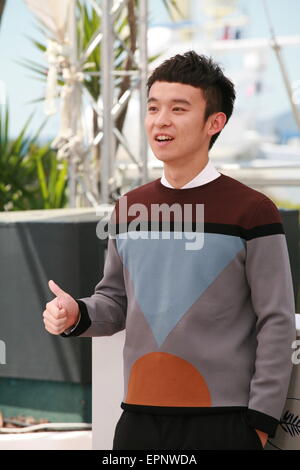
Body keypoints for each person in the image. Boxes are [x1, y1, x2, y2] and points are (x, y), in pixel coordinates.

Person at [43, 51, 296, 450]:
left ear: (215, 122)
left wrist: (260, 423)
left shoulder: (252, 210)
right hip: (138, 419)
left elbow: (277, 320)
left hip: (225, 422)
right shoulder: (128, 208)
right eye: (154, 107)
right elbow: (115, 301)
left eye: (178, 109)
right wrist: (77, 313)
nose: (161, 120)